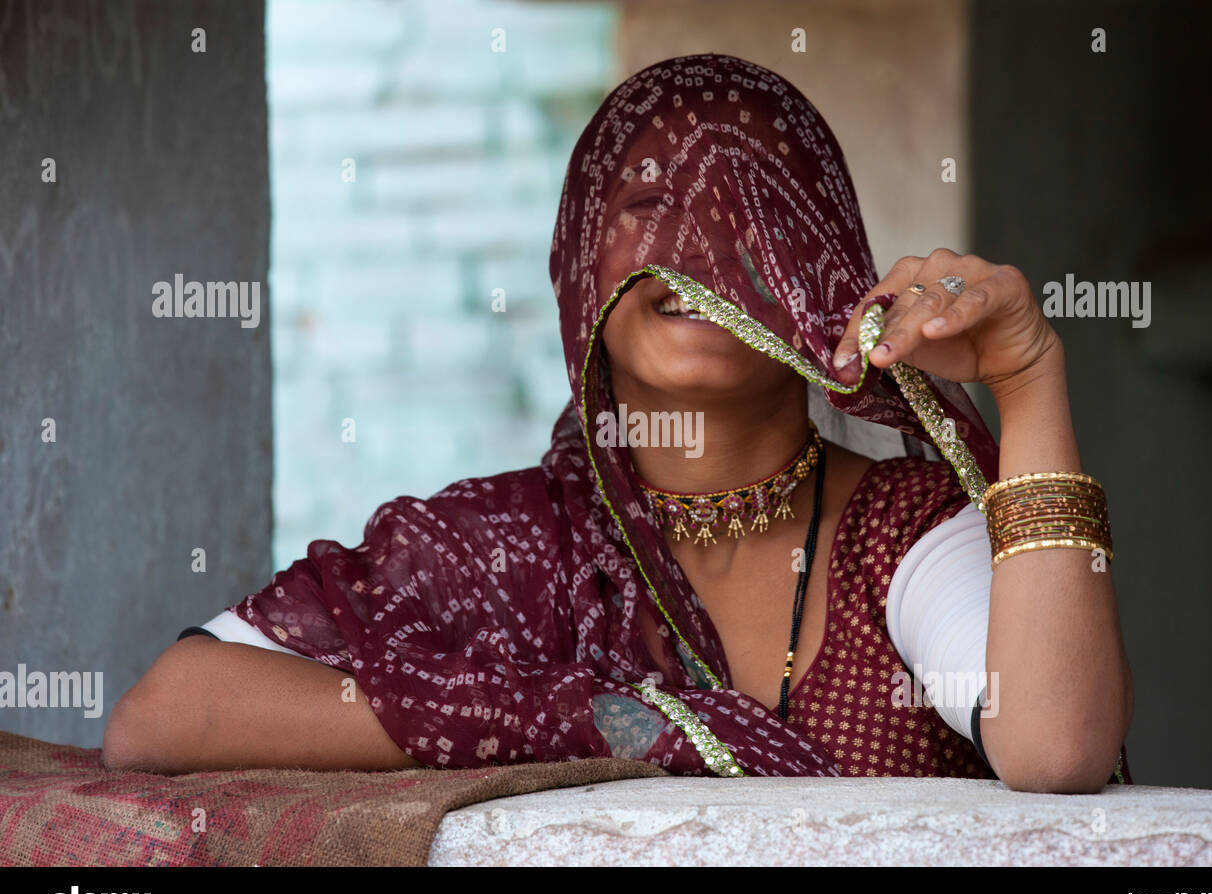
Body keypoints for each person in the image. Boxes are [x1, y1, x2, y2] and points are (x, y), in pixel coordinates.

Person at [103, 53, 1133, 791]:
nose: (693, 239)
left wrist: (1029, 377)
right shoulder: (500, 547)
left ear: (823, 271)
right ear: (578, 271)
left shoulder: (900, 533)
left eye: (748, 205)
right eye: (647, 201)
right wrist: (599, 722)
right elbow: (166, 711)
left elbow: (1056, 748)